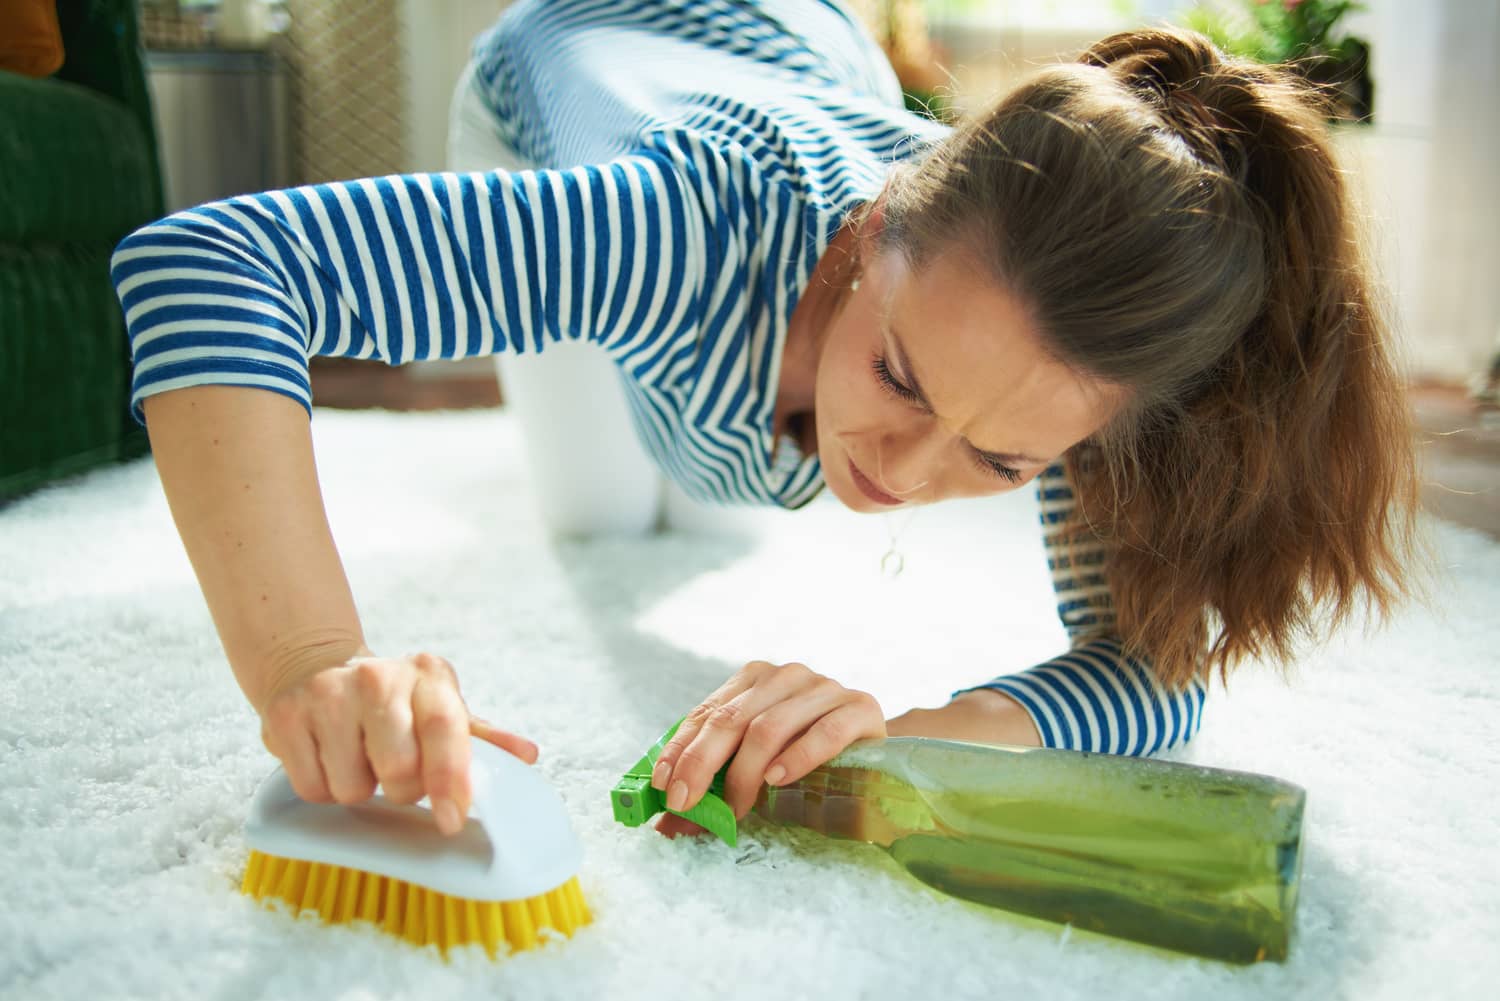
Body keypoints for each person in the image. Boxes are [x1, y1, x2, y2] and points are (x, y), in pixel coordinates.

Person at [110, 0, 1420, 839]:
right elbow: (206, 267)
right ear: (863, 241)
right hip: (572, 65)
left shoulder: (1057, 361)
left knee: (727, 479)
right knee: (612, 513)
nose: (903, 474)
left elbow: (1159, 675)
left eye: (1002, 459)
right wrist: (309, 661)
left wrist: (903, 734)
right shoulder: (663, 234)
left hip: (810, 41)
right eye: (903, 378)